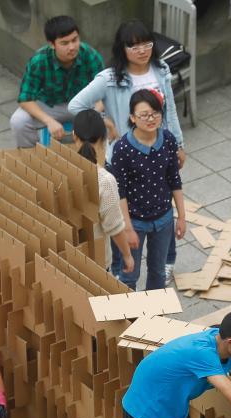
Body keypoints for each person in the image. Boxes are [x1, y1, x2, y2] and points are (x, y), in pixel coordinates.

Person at [69, 20, 186, 286]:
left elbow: (169, 112)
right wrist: (106, 122)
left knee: (162, 202)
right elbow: (76, 105)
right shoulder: (110, 78)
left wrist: (179, 144)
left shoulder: (161, 69)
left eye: (146, 44)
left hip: (159, 147)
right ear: (122, 49)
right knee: (126, 208)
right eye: (133, 46)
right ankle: (124, 271)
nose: (141, 50)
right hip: (127, 154)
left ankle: (165, 264)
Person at [108, 89, 186, 291]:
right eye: (144, 115)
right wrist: (127, 228)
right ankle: (128, 319)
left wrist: (182, 217)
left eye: (155, 113)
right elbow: (120, 192)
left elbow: (174, 179)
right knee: (129, 273)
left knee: (158, 271)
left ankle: (154, 318)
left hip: (164, 218)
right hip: (135, 221)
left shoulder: (168, 139)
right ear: (133, 117)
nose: (151, 119)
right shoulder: (122, 148)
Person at [10, 15, 103, 148]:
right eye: (64, 43)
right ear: (52, 44)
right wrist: (48, 121)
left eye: (75, 40)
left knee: (113, 112)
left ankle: (102, 157)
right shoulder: (39, 61)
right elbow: (25, 99)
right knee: (18, 121)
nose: (72, 47)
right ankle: (30, 157)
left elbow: (103, 93)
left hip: (82, 104)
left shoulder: (89, 55)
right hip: (50, 106)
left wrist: (92, 116)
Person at [71, 110, 135, 275]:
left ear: (73, 135)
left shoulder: (62, 165)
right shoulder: (104, 180)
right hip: (96, 260)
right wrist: (127, 256)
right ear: (104, 138)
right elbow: (114, 227)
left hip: (67, 255)